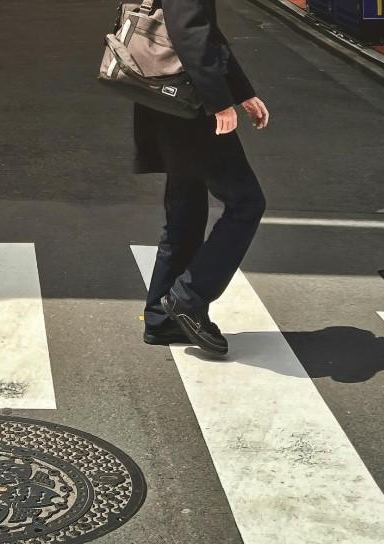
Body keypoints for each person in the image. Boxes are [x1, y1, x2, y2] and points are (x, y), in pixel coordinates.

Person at [136, 0, 269, 356]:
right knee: (247, 202)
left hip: (169, 99)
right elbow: (190, 31)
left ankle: (162, 320)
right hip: (189, 103)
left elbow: (205, 29)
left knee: (186, 209)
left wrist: (241, 91)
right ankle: (188, 297)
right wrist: (219, 102)